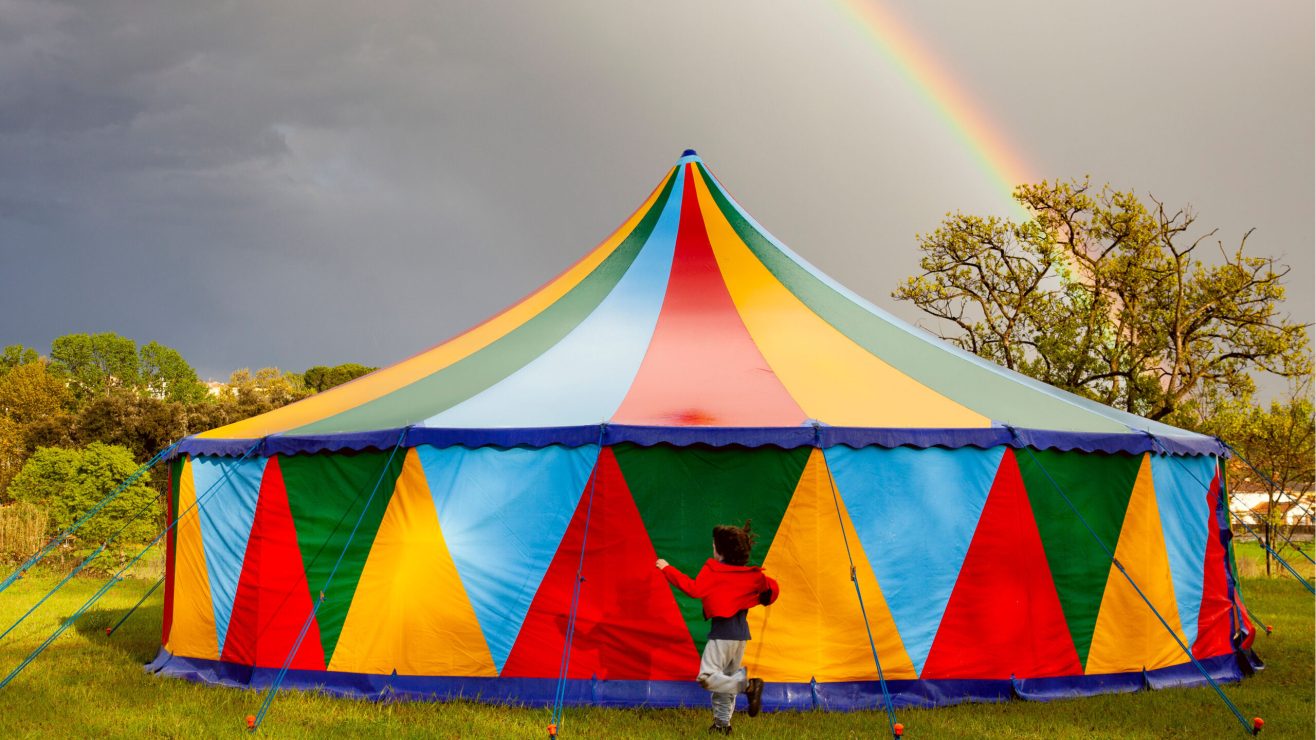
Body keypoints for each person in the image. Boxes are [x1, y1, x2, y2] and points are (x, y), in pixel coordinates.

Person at [656, 521, 779, 735]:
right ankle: (723, 725)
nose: (712, 549)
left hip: (722, 635)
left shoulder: (714, 571)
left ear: (721, 552)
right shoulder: (748, 575)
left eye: (714, 546)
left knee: (707, 677)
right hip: (740, 637)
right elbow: (771, 588)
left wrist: (666, 569)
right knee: (726, 682)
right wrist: (765, 596)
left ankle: (748, 686)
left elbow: (693, 589)